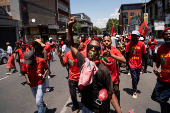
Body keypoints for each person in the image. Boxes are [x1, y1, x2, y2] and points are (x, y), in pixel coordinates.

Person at [67, 16, 121, 113]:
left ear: (99, 52)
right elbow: (71, 45)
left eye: (96, 48)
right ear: (87, 49)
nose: (93, 49)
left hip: (100, 110)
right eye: (91, 47)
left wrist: (119, 111)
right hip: (86, 108)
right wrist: (70, 26)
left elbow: (111, 94)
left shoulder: (103, 70)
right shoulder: (83, 61)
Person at [100, 34, 126, 105]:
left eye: (108, 41)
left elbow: (124, 60)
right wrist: (102, 55)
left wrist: (111, 55)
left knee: (116, 100)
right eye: (104, 41)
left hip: (114, 80)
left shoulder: (115, 50)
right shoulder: (100, 51)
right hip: (103, 81)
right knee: (105, 101)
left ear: (111, 42)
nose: (106, 42)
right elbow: (93, 61)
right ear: (102, 42)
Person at [58, 36, 81, 113]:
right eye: (71, 45)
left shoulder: (82, 53)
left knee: (85, 95)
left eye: (74, 44)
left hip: (81, 79)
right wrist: (60, 58)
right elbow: (64, 65)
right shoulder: (68, 54)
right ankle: (76, 107)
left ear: (78, 45)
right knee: (73, 95)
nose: (72, 46)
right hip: (72, 78)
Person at [152, 27, 170, 113]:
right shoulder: (160, 48)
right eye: (166, 34)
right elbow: (158, 61)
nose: (168, 35)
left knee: (162, 100)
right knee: (154, 97)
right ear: (163, 36)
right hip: (161, 79)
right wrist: (155, 69)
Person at [125, 30, 146, 99]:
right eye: (132, 35)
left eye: (134, 36)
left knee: (137, 78)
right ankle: (134, 91)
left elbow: (144, 55)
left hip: (139, 64)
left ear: (138, 37)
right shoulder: (128, 44)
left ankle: (134, 86)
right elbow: (127, 55)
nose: (132, 37)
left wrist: (143, 65)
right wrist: (127, 64)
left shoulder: (142, 44)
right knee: (134, 77)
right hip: (131, 64)